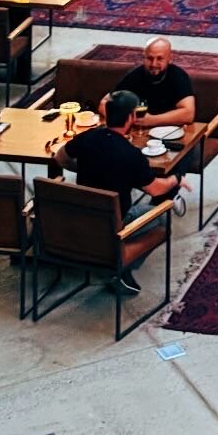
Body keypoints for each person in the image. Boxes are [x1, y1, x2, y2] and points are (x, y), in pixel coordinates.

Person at [64, 89, 179, 290]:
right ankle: (120, 265)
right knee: (162, 219)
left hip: (83, 217)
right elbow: (156, 190)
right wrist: (175, 179)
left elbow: (60, 158)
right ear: (131, 117)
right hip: (115, 224)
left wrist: (83, 166)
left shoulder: (87, 137)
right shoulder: (132, 155)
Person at [119, 37, 196, 131]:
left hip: (169, 132)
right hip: (138, 132)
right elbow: (105, 102)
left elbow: (188, 114)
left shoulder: (178, 76)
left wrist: (151, 120)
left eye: (159, 58)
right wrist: (124, 120)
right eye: (150, 58)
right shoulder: (135, 75)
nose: (154, 64)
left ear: (170, 59)